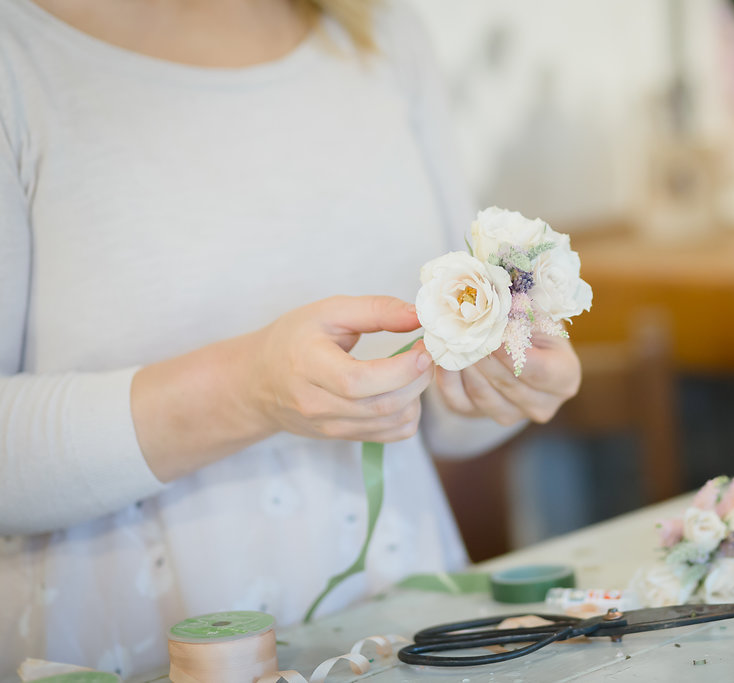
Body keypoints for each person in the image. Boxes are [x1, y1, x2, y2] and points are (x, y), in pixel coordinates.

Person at [0, 0, 582, 676]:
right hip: (129, 639)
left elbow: (445, 422)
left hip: (401, 637)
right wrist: (247, 391)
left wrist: (502, 383)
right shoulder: (20, 54)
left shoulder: (376, 32)